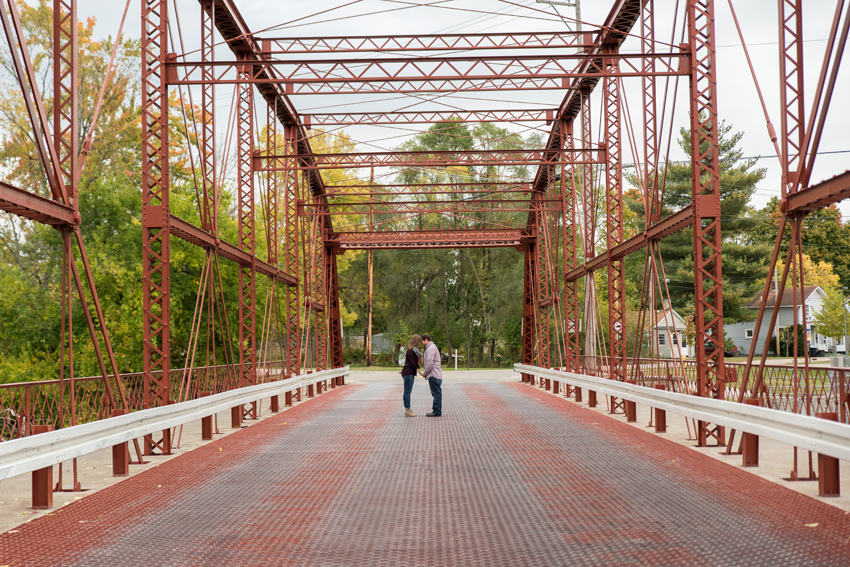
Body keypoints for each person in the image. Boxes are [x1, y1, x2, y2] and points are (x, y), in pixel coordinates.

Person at [418, 333, 443, 417]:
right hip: (436, 374)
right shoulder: (433, 347)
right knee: (437, 393)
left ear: (426, 339)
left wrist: (424, 373)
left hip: (433, 375)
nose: (422, 342)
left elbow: (429, 363)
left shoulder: (430, 348)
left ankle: (436, 411)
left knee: (436, 394)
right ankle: (437, 410)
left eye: (422, 341)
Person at [400, 334, 423, 417]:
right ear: (416, 341)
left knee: (408, 391)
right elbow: (413, 363)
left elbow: (411, 362)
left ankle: (408, 409)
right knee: (407, 391)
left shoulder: (415, 350)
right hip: (408, 372)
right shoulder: (411, 350)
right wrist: (420, 371)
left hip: (409, 372)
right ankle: (407, 409)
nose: (420, 343)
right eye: (419, 341)